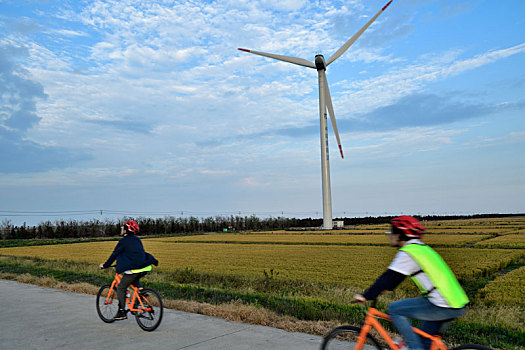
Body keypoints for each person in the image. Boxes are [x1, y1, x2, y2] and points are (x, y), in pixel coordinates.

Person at [353, 216, 469, 350]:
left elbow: (388, 278)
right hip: (455, 301)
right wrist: (383, 288)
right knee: (424, 341)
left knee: (395, 309)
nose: (390, 235)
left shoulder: (408, 253)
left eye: (393, 231)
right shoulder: (421, 248)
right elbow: (395, 279)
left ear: (401, 234)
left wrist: (366, 295)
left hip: (442, 303)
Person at [99, 220, 158, 320]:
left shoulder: (123, 241)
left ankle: (122, 312)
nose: (122, 230)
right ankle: (141, 293)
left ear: (126, 230)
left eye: (123, 228)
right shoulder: (137, 240)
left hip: (134, 269)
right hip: (145, 267)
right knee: (134, 280)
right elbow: (133, 255)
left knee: (121, 287)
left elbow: (114, 254)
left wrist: (105, 265)